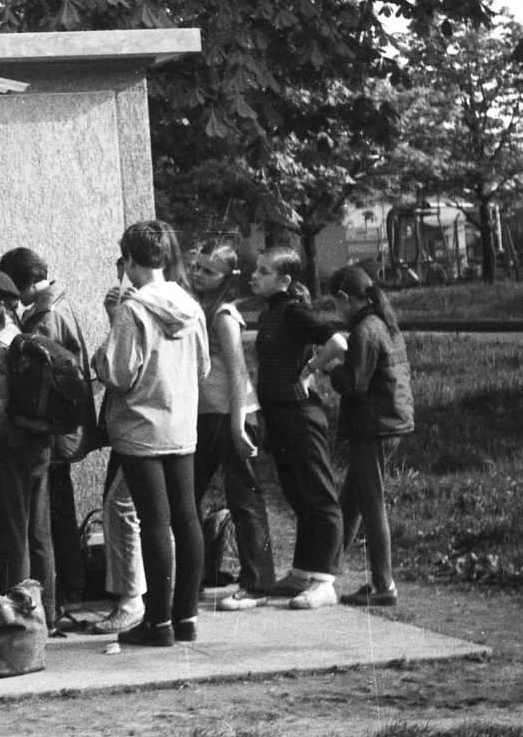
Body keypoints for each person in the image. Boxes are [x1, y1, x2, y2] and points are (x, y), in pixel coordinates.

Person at [93, 221, 210, 647]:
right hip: (182, 424)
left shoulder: (132, 309)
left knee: (153, 522)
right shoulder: (190, 305)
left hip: (141, 427)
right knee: (187, 519)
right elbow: (203, 369)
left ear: (129, 260)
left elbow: (120, 374)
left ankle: (157, 622)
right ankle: (186, 618)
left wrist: (99, 360)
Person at [0, 246, 94, 618]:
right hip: (63, 427)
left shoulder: (44, 317)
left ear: (30, 285)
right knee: (53, 511)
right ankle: (67, 586)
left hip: (52, 430)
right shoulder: (56, 305)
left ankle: (67, 587)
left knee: (53, 516)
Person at [249, 243, 348, 610]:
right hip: (279, 415)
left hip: (301, 415)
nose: (253, 276)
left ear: (284, 280)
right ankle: (303, 570)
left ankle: (325, 581)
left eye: (262, 272)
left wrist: (309, 370)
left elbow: (338, 342)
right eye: (256, 270)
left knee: (319, 498)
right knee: (298, 494)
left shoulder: (293, 311)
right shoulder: (272, 312)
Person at [188, 244, 279, 611]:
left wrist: (239, 425)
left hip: (235, 415)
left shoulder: (224, 314)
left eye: (208, 272)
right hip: (206, 416)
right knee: (187, 494)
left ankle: (258, 582)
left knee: (245, 498)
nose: (197, 275)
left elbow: (239, 372)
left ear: (227, 279)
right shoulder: (198, 308)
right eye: (195, 268)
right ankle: (190, 580)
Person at [317, 265, 414, 607]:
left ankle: (383, 584)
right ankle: (326, 570)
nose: (336, 310)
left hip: (374, 424)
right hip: (389, 419)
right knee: (353, 500)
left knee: (371, 505)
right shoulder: (383, 322)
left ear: (345, 298)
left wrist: (330, 369)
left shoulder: (364, 330)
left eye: (335, 303)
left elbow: (355, 384)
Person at [0, 265, 57, 621]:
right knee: (38, 534)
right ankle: (45, 614)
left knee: (11, 538)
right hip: (37, 444)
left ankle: (17, 620)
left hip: (7, 449)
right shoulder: (21, 334)